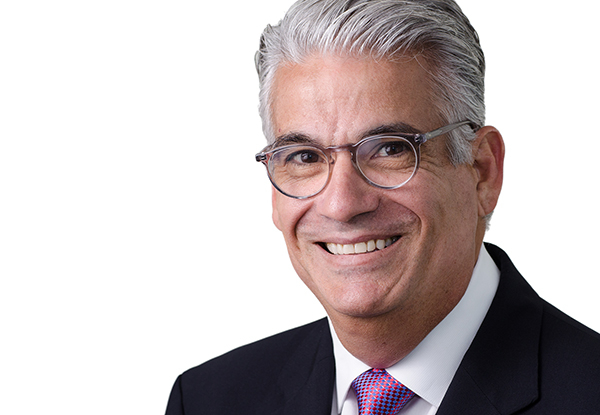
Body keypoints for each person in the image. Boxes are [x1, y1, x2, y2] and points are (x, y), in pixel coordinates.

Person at [165, 0, 600, 414]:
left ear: (482, 172)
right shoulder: (207, 400)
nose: (341, 204)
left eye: (390, 149)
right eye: (304, 156)